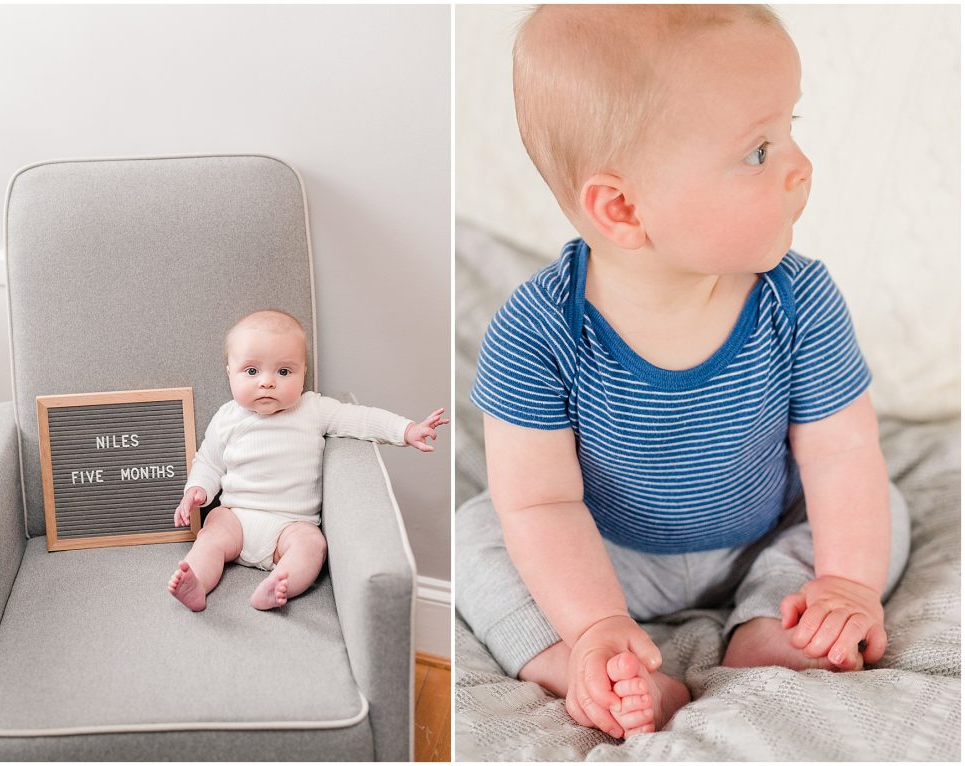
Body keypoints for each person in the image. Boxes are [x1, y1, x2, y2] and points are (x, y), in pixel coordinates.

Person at [456, 4, 909, 740]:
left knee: (878, 503)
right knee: (482, 535)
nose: (800, 167)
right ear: (625, 208)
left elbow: (840, 451)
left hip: (761, 537)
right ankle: (589, 666)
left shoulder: (799, 299)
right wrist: (596, 621)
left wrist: (848, 584)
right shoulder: (537, 332)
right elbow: (541, 506)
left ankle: (773, 623)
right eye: (759, 151)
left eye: (791, 127)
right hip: (605, 553)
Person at [169, 308, 447, 612]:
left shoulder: (313, 410)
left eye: (283, 372)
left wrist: (405, 430)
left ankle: (280, 583)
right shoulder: (227, 417)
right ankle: (196, 582)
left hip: (292, 525)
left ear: (303, 373)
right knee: (211, 534)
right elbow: (208, 462)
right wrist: (196, 491)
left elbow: (362, 419)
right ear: (229, 372)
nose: (267, 382)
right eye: (251, 371)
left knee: (313, 545)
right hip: (237, 516)